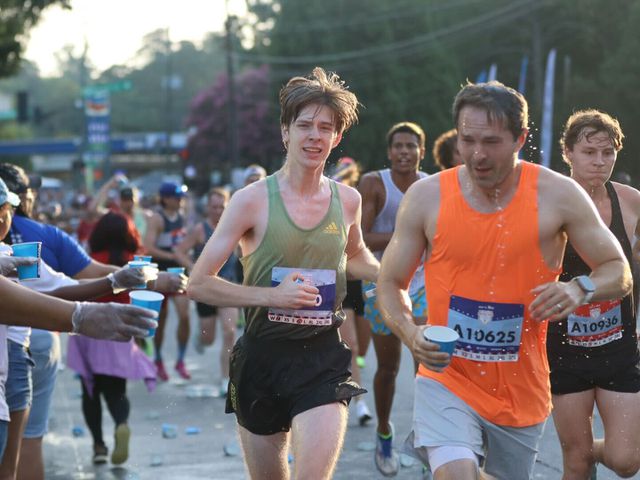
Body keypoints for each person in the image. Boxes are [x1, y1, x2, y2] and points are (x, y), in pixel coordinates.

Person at [376, 81, 632, 480]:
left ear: (520, 138)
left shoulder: (557, 194)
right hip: (448, 378)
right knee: (457, 472)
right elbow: (391, 282)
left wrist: (578, 287)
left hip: (520, 387)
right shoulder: (427, 197)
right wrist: (410, 334)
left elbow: (618, 269)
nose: (477, 154)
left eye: (492, 142)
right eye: (467, 140)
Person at [187, 67, 379, 480]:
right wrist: (271, 297)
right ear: (285, 133)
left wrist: (396, 273)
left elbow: (356, 256)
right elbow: (199, 282)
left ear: (336, 138)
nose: (314, 136)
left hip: (322, 356)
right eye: (304, 125)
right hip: (262, 357)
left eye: (325, 128)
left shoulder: (348, 200)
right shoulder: (250, 201)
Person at [547, 110, 640, 479]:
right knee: (577, 462)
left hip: (618, 344)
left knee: (626, 460)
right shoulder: (549, 200)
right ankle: (583, 452)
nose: (600, 162)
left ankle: (594, 449)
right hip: (562, 346)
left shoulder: (630, 201)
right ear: (568, 152)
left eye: (608, 152)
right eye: (589, 152)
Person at [358, 121, 428, 475]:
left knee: (427, 364)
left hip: (422, 283)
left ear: (421, 152)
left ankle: (430, 443)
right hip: (381, 281)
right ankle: (384, 432)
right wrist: (409, 235)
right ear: (389, 152)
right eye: (398, 146)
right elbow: (363, 238)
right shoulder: (373, 183)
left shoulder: (432, 186)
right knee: (388, 367)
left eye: (410, 146)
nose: (404, 151)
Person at [67, 211, 158, 466]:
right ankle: (121, 423)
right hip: (121, 332)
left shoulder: (87, 261)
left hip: (87, 328)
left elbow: (74, 288)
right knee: (117, 390)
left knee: (90, 390)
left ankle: (98, 446)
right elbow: (149, 295)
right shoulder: (136, 263)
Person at [175, 188, 240, 396]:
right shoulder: (200, 230)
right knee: (208, 338)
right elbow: (178, 251)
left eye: (222, 206)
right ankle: (200, 338)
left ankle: (225, 379)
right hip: (206, 289)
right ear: (207, 208)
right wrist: (193, 265)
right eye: (214, 207)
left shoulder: (236, 227)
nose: (218, 210)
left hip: (228, 287)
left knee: (230, 332)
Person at [331, 157, 372, 426]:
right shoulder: (329, 203)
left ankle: (346, 377)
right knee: (352, 344)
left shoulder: (360, 204)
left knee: (362, 348)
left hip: (362, 282)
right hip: (340, 282)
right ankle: (359, 403)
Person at [143, 181, 191, 381]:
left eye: (181, 196)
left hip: (178, 271)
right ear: (165, 199)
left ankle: (180, 359)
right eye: (176, 197)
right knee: (160, 321)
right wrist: (173, 255)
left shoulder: (181, 216)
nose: (180, 200)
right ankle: (159, 359)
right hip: (160, 273)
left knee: (185, 315)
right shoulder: (157, 218)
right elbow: (148, 247)